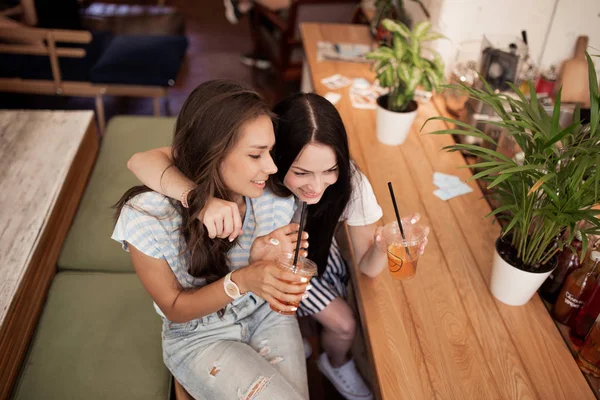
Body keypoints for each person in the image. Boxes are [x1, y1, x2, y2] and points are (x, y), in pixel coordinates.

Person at [127, 92, 429, 400]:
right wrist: (198, 200)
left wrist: (383, 243)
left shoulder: (278, 192)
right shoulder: (268, 186)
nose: (271, 168)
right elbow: (142, 160)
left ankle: (323, 357)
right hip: (208, 328)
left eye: (329, 171)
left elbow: (363, 263)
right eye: (299, 172)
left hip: (270, 301)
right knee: (340, 325)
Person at [112, 80, 313, 400]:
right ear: (212, 153)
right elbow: (175, 308)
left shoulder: (270, 198)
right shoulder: (148, 217)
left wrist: (261, 262)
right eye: (256, 154)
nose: (272, 167)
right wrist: (243, 278)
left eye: (270, 152)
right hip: (198, 336)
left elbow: (258, 277)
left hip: (263, 314)